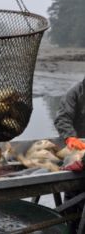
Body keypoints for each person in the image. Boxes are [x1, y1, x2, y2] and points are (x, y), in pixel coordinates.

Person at [54, 78, 85, 233]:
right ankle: (71, 226)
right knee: (73, 197)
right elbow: (62, 118)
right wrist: (70, 137)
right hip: (76, 151)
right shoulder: (75, 92)